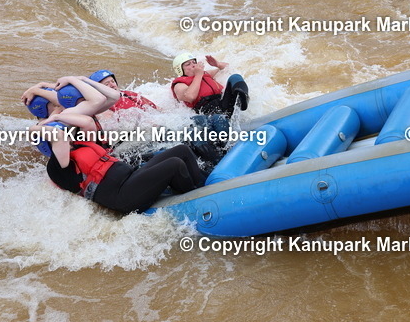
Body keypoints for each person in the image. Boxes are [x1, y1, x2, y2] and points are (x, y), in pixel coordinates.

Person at [32, 112, 205, 213]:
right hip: (122, 197)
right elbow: (59, 138)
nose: (69, 136)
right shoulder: (57, 167)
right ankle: (197, 201)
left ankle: (203, 186)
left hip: (131, 178)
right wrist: (35, 127)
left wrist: (57, 116)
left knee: (181, 150)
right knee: (175, 164)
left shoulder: (80, 145)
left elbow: (87, 122)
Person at [170, 53, 249, 118]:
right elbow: (190, 97)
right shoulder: (179, 84)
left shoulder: (206, 74)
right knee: (218, 119)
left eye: (194, 62)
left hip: (223, 103)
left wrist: (218, 64)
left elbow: (228, 68)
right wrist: (198, 75)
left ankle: (243, 100)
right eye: (188, 64)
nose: (193, 65)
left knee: (235, 77)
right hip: (206, 112)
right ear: (180, 70)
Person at [89, 69, 157, 112]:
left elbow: (156, 108)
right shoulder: (100, 107)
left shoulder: (128, 94)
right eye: (106, 84)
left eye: (113, 81)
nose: (112, 85)